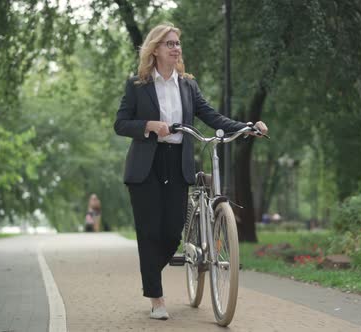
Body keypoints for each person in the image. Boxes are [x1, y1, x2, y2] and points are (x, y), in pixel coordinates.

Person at [113, 22, 268, 320]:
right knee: (149, 232)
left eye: (178, 43)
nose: (176, 48)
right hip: (146, 165)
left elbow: (211, 116)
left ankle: (149, 273)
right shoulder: (137, 85)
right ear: (155, 49)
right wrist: (148, 126)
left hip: (177, 161)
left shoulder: (187, 85)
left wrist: (246, 128)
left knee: (172, 233)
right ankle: (156, 298)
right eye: (170, 43)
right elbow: (120, 123)